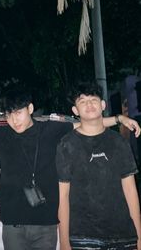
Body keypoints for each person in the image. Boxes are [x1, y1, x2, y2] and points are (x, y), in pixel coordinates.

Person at [0, 87, 141, 250]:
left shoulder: (51, 129)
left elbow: (88, 123)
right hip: (13, 224)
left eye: (18, 112)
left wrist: (120, 118)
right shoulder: (1, 134)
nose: (13, 120)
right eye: (8, 114)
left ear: (30, 109)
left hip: (46, 223)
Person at [56, 82, 141, 250]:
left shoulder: (119, 142)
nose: (89, 104)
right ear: (75, 110)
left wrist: (139, 236)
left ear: (103, 105)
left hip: (123, 236)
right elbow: (63, 196)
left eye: (93, 99)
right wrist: (64, 242)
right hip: (82, 237)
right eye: (82, 101)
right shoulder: (66, 145)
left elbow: (131, 190)